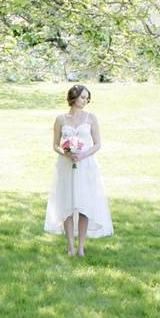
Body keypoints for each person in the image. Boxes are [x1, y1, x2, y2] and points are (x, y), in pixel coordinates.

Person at [44, 84, 113, 256]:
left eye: (87, 98)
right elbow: (55, 145)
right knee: (67, 204)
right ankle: (70, 246)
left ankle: (81, 247)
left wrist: (82, 155)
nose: (85, 100)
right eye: (82, 97)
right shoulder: (60, 119)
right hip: (66, 166)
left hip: (86, 165)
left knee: (84, 206)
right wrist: (67, 153)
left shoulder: (91, 118)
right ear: (73, 97)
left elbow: (97, 144)